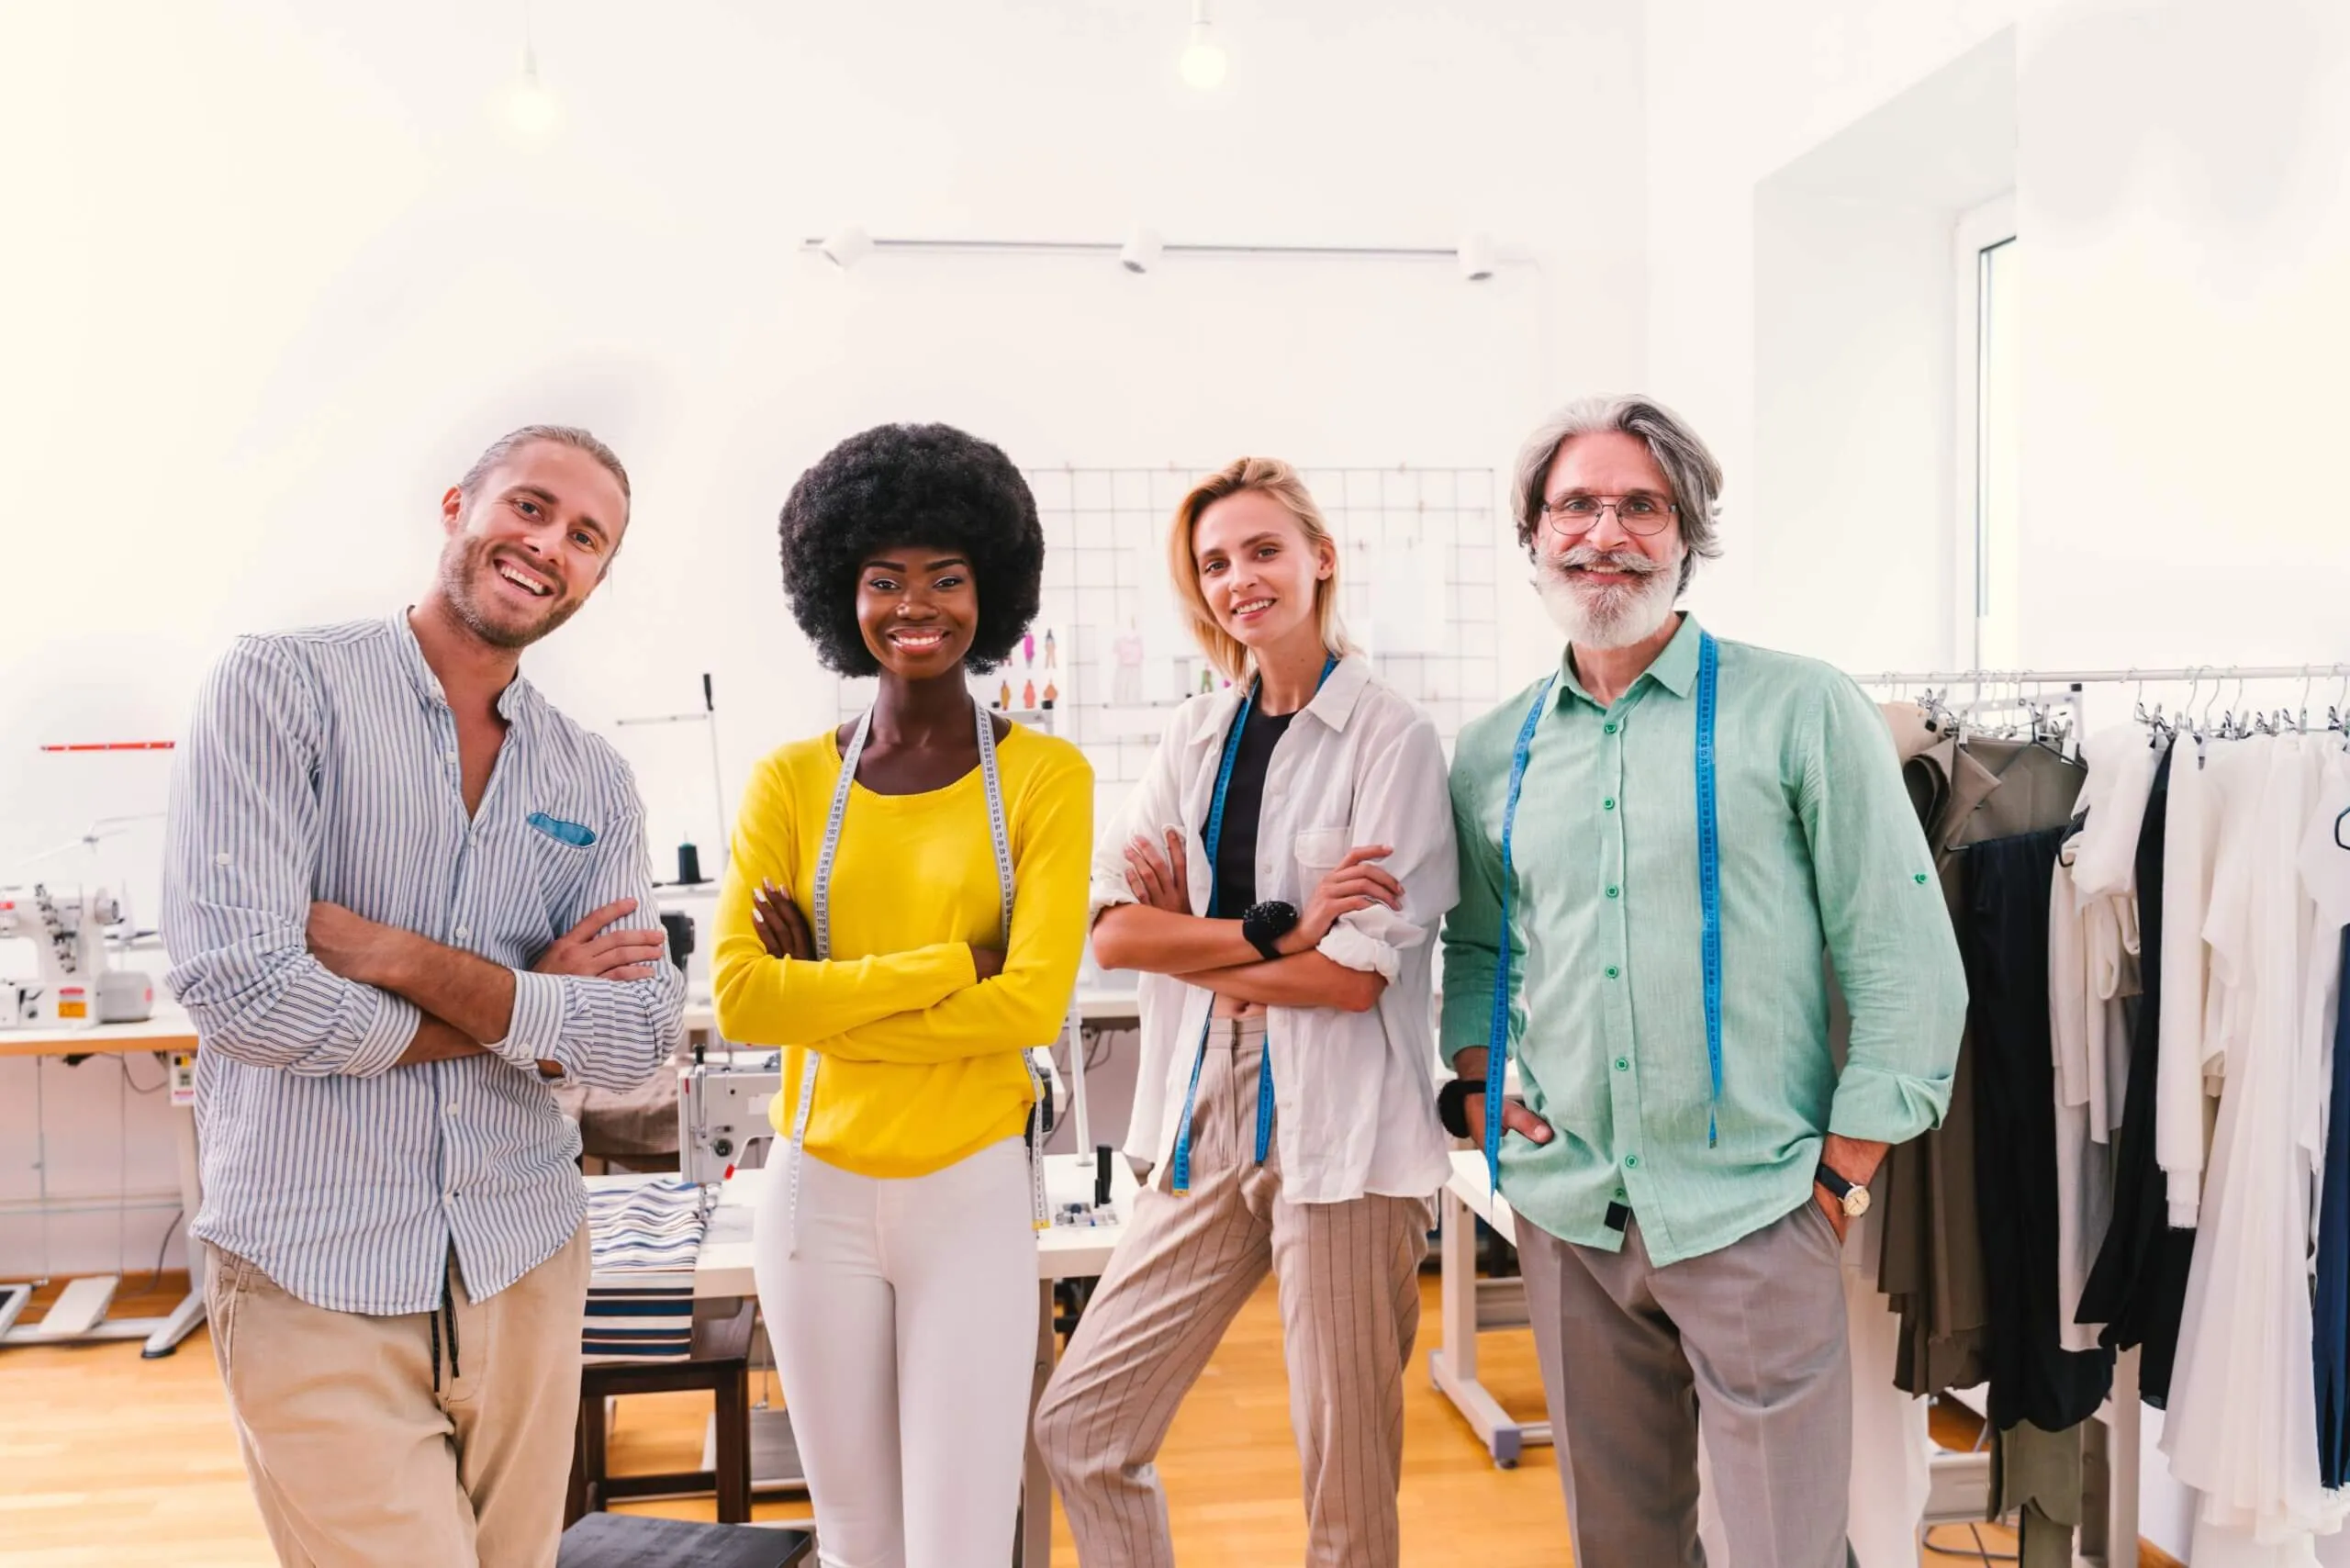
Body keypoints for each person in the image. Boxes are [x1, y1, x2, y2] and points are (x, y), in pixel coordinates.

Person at [1437, 396, 1967, 1568]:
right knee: (1617, 1546)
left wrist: (1840, 1173)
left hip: (1758, 1206)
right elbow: (1479, 948)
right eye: (1576, 503)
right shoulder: (1492, 751)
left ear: (1687, 536)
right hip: (1570, 1212)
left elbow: (1901, 952)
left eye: (1643, 504)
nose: (1606, 531)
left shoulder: (1801, 708)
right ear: (1533, 535)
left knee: (1783, 1548)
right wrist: (1480, 1097)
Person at [162, 424, 686, 1568]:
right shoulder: (281, 690)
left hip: (523, 1258)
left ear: (600, 575)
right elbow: (244, 991)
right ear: (458, 505)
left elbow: (639, 1030)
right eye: (531, 507)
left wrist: (397, 956)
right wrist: (523, 1005)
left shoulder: (589, 777)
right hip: (315, 1263)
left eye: (586, 537)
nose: (549, 545)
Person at [1035, 457, 1458, 1568]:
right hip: (1205, 1115)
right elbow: (1116, 932)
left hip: (1348, 1137)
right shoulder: (1193, 737)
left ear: (1321, 560)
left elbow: (1351, 982)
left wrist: (1198, 945)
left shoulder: (1392, 740)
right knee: (1080, 1424)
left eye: (1263, 550)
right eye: (1214, 562)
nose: (1239, 579)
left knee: (1347, 1484)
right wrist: (1280, 931)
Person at [711, 423, 1093, 1566]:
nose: (913, 605)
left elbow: (1030, 1008)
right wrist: (945, 966)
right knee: (855, 1541)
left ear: (991, 590)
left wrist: (821, 989)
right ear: (843, 594)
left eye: (945, 577)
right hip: (812, 1195)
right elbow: (740, 998)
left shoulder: (1044, 777)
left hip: (969, 1196)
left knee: (961, 1542)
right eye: (884, 580)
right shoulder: (791, 780)